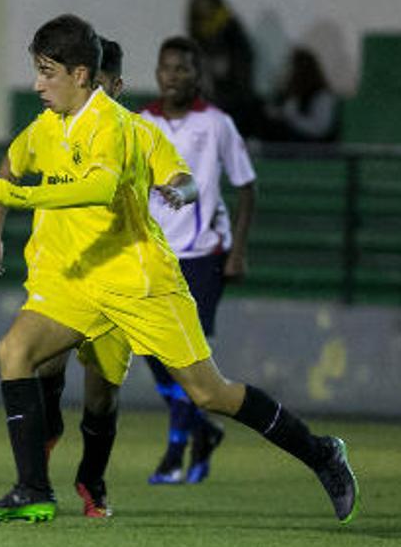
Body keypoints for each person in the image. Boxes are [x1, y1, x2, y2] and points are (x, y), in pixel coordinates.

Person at [0, 14, 357, 525]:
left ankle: (323, 452)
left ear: (82, 75)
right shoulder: (47, 126)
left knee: (208, 392)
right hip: (76, 283)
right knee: (13, 351)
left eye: (46, 72)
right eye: (36, 72)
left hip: (139, 282)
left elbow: (105, 189)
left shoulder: (119, 128)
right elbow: (13, 161)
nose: (37, 84)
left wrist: (20, 196)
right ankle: (33, 489)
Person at [0, 36, 199, 518]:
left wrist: (182, 191)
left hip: (115, 280)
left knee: (101, 394)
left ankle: (92, 479)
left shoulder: (136, 134)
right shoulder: (49, 126)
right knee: (38, 362)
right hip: (58, 275)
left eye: (98, 84)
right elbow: (12, 165)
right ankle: (40, 461)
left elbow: (182, 177)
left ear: (112, 85)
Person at [139, 35, 258, 486]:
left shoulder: (218, 125)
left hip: (204, 254)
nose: (174, 76)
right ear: (157, 73)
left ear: (197, 75)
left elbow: (247, 186)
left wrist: (238, 250)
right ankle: (204, 431)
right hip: (153, 254)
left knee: (188, 355)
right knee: (150, 350)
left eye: (183, 68)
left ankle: (174, 452)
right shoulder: (140, 123)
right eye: (167, 67)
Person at [188, 0, 263, 137]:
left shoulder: (228, 27)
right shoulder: (199, 29)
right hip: (217, 97)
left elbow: (242, 64)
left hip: (235, 99)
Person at [263, 47, 340, 142]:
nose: (287, 74)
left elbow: (320, 129)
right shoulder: (289, 96)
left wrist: (291, 117)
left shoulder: (321, 96)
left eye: (292, 69)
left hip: (314, 151)